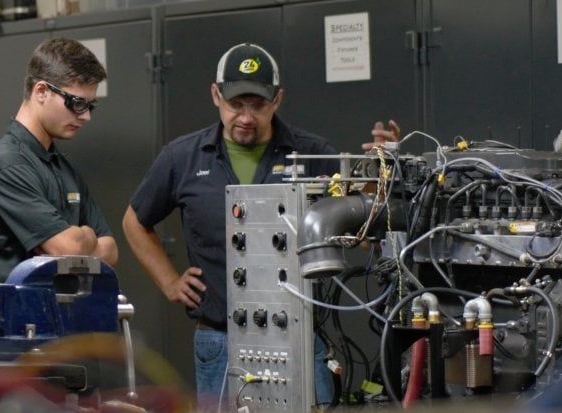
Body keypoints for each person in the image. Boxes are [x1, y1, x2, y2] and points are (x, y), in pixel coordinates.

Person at [122, 42, 398, 410]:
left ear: (278, 100)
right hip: (218, 338)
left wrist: (381, 175)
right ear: (215, 96)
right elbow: (134, 221)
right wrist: (169, 281)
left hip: (299, 337)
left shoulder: (313, 154)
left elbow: (361, 234)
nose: (247, 117)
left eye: (258, 105)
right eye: (236, 104)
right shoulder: (182, 158)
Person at [0, 37, 118, 283]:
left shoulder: (64, 166)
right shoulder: (7, 165)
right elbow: (69, 249)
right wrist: (85, 237)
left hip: (68, 317)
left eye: (90, 106)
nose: (85, 117)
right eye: (76, 103)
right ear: (41, 91)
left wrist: (77, 241)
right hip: (20, 318)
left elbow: (111, 251)